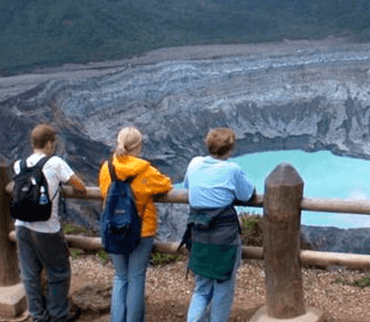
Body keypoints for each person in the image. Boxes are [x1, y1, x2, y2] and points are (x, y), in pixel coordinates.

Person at [14, 123, 87, 322]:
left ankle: (38, 316)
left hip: (21, 226)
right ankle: (58, 315)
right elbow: (80, 186)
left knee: (30, 274)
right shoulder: (55, 163)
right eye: (53, 143)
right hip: (47, 229)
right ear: (49, 144)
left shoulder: (19, 164)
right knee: (59, 273)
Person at [98, 126, 172, 322]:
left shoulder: (107, 168)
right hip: (141, 230)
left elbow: (103, 190)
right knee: (136, 277)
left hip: (113, 228)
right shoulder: (144, 169)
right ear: (138, 146)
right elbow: (165, 184)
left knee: (120, 277)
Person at [183, 127, 255, 322]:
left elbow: (187, 186)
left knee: (201, 288)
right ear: (230, 148)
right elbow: (247, 194)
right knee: (223, 289)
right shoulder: (232, 170)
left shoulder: (194, 163)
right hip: (225, 240)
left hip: (198, 235)